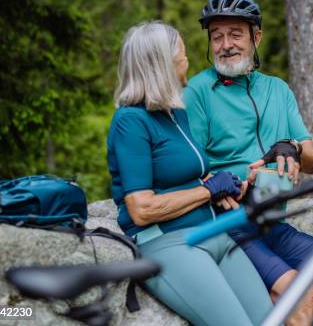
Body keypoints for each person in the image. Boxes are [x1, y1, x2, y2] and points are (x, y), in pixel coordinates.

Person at [106, 20, 273, 326]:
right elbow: (141, 209)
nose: (188, 61)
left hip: (214, 233)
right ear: (163, 64)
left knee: (272, 320)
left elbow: (188, 174)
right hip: (168, 244)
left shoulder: (175, 112)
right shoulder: (130, 122)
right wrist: (207, 191)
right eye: (182, 55)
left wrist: (220, 185)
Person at [183, 0, 313, 325]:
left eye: (235, 34)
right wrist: (231, 183)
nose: (225, 44)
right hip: (228, 224)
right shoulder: (197, 93)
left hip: (273, 223)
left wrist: (291, 145)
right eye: (217, 36)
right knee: (300, 294)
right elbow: (187, 169)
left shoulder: (278, 90)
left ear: (256, 37)